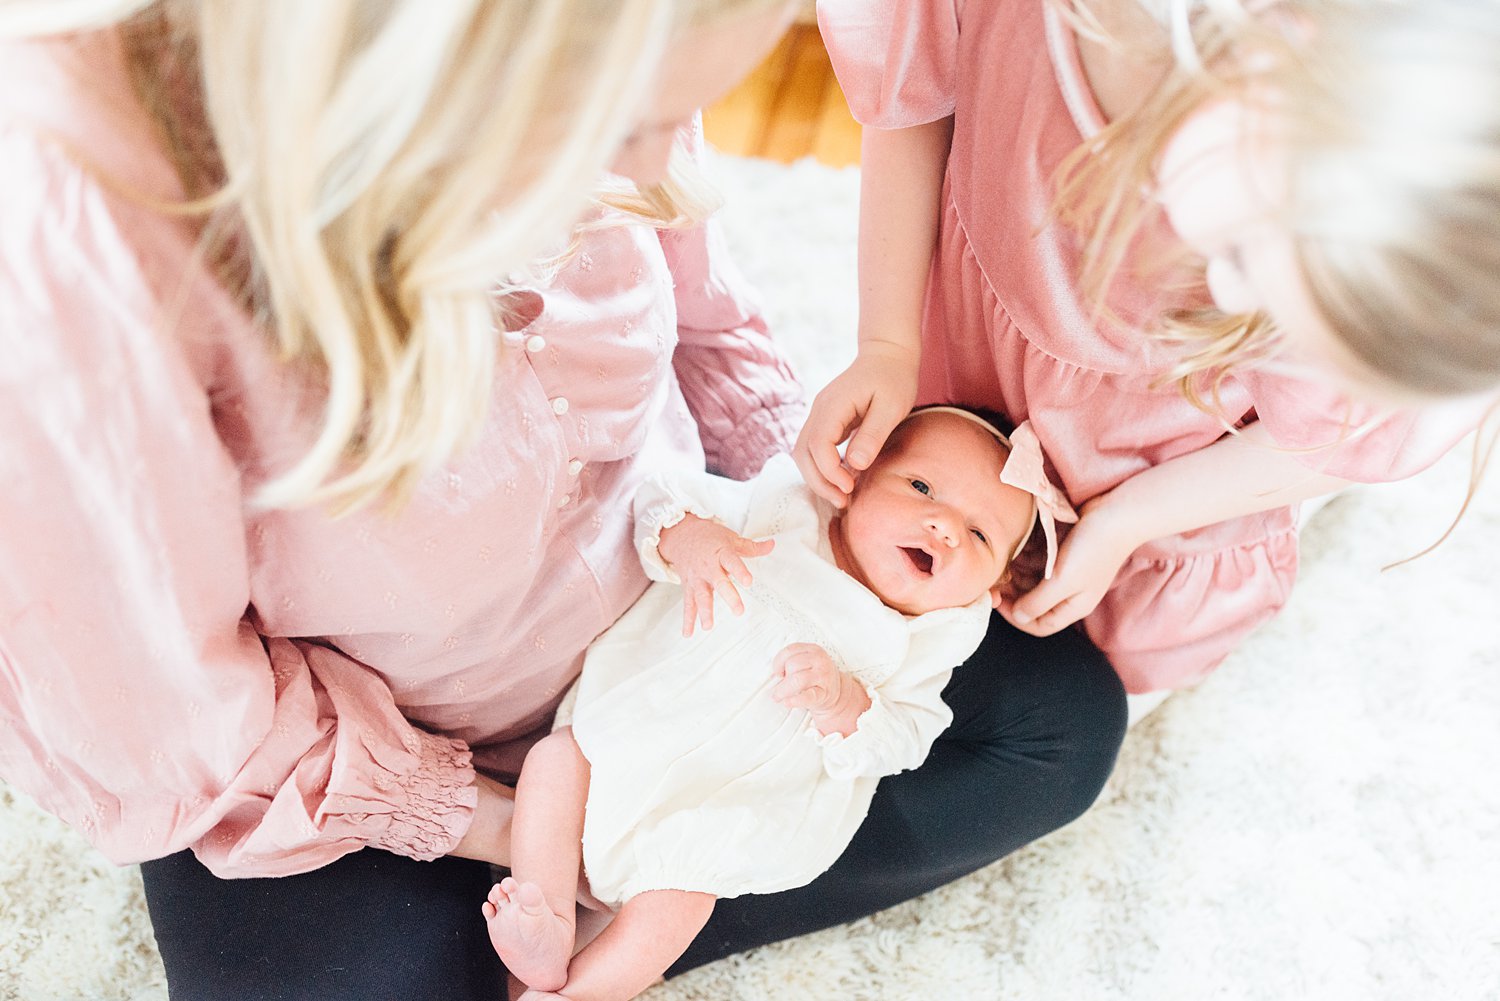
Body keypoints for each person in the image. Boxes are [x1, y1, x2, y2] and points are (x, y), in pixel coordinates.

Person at [0, 1, 1128, 998]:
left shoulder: (614, 68)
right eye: (625, 128)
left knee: (1060, 728)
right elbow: (172, 723)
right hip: (381, 749)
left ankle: (628, 925)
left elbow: (706, 325)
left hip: (688, 634)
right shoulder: (83, 275)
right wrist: (525, 836)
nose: (647, 173)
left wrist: (812, 514)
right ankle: (600, 911)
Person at [800, 0, 1500, 696]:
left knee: (1090, 694)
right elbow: (912, 92)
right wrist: (887, 341)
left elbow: (1343, 432)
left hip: (1166, 455)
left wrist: (1129, 517)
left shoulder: (1387, 235)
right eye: (1241, 256)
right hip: (978, 339)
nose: (1225, 293)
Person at [486, 406, 1076, 1001]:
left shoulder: (926, 640)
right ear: (854, 479)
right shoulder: (780, 513)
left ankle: (575, 994)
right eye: (922, 488)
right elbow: (660, 497)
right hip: (633, 730)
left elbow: (905, 739)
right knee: (554, 764)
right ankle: (548, 917)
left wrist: (846, 703)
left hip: (723, 805)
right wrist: (690, 537)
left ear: (992, 585)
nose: (944, 527)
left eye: (979, 535)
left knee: (678, 903)